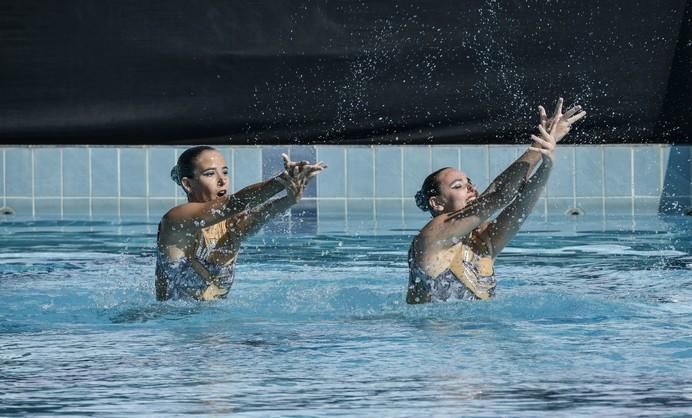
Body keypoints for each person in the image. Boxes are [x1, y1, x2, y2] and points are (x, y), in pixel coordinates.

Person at [407, 98, 586, 303]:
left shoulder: (483, 242)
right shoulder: (433, 234)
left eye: (470, 183)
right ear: (437, 203)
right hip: (431, 332)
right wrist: (536, 147)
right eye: (458, 186)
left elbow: (522, 204)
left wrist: (547, 165)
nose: (470, 188)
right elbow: (500, 195)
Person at [155, 146, 326, 301]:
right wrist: (283, 179)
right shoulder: (176, 220)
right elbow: (236, 202)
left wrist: (290, 200)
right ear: (187, 184)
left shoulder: (231, 225)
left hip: (216, 327)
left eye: (225, 172)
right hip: (178, 327)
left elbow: (261, 215)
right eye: (210, 174)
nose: (222, 180)